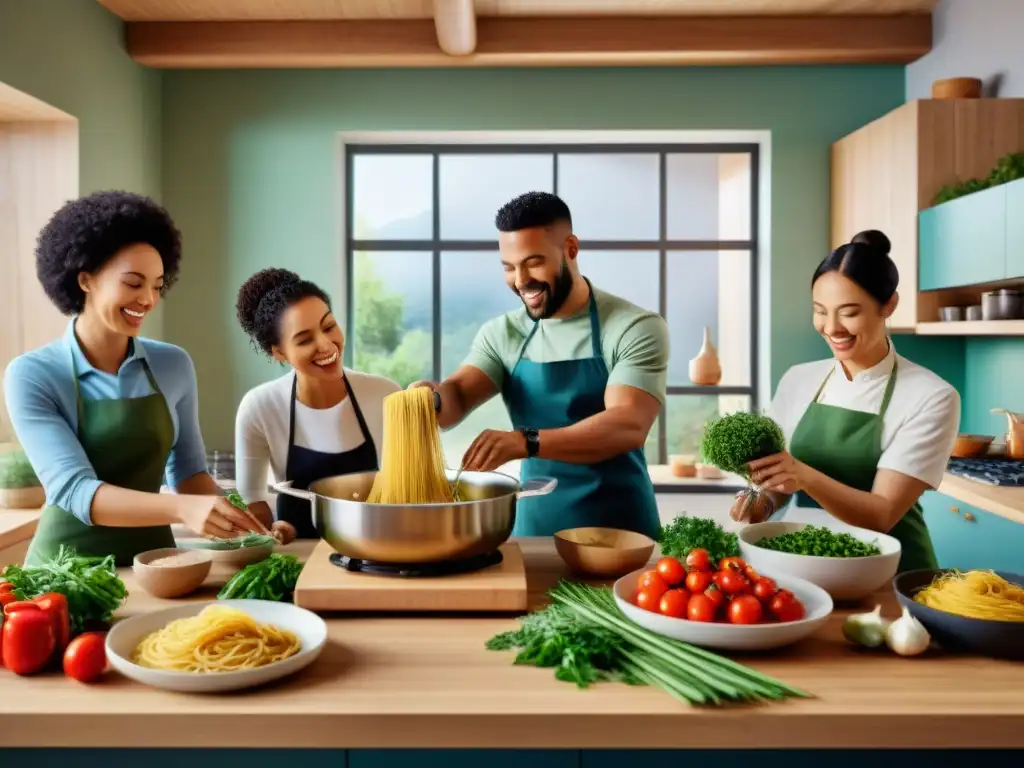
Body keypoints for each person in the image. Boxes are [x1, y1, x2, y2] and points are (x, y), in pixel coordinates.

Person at [4, 191, 267, 566]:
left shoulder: (173, 364)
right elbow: (75, 490)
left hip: (157, 567)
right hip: (64, 578)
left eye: (157, 285)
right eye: (133, 282)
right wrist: (184, 509)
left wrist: (250, 524)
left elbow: (191, 475)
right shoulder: (32, 374)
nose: (148, 299)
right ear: (85, 280)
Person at [410, 191, 669, 539]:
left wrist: (527, 441)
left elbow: (627, 424)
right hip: (534, 533)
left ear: (571, 249)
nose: (520, 280)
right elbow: (455, 397)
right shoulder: (504, 333)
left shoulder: (631, 326)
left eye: (533, 262)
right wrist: (431, 399)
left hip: (622, 534)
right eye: (509, 267)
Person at [731, 229, 960, 573]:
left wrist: (806, 476)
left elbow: (881, 515)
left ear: (889, 305)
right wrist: (762, 503)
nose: (832, 327)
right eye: (820, 311)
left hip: (892, 573)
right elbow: (782, 478)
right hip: (807, 561)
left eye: (849, 312)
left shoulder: (931, 396)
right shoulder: (799, 379)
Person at [234, 268, 400, 539]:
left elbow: (413, 490)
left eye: (329, 327)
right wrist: (272, 529)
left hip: (377, 550)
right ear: (279, 352)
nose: (326, 345)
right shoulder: (259, 407)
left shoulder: (385, 395)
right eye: (305, 339)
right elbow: (252, 500)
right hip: (297, 556)